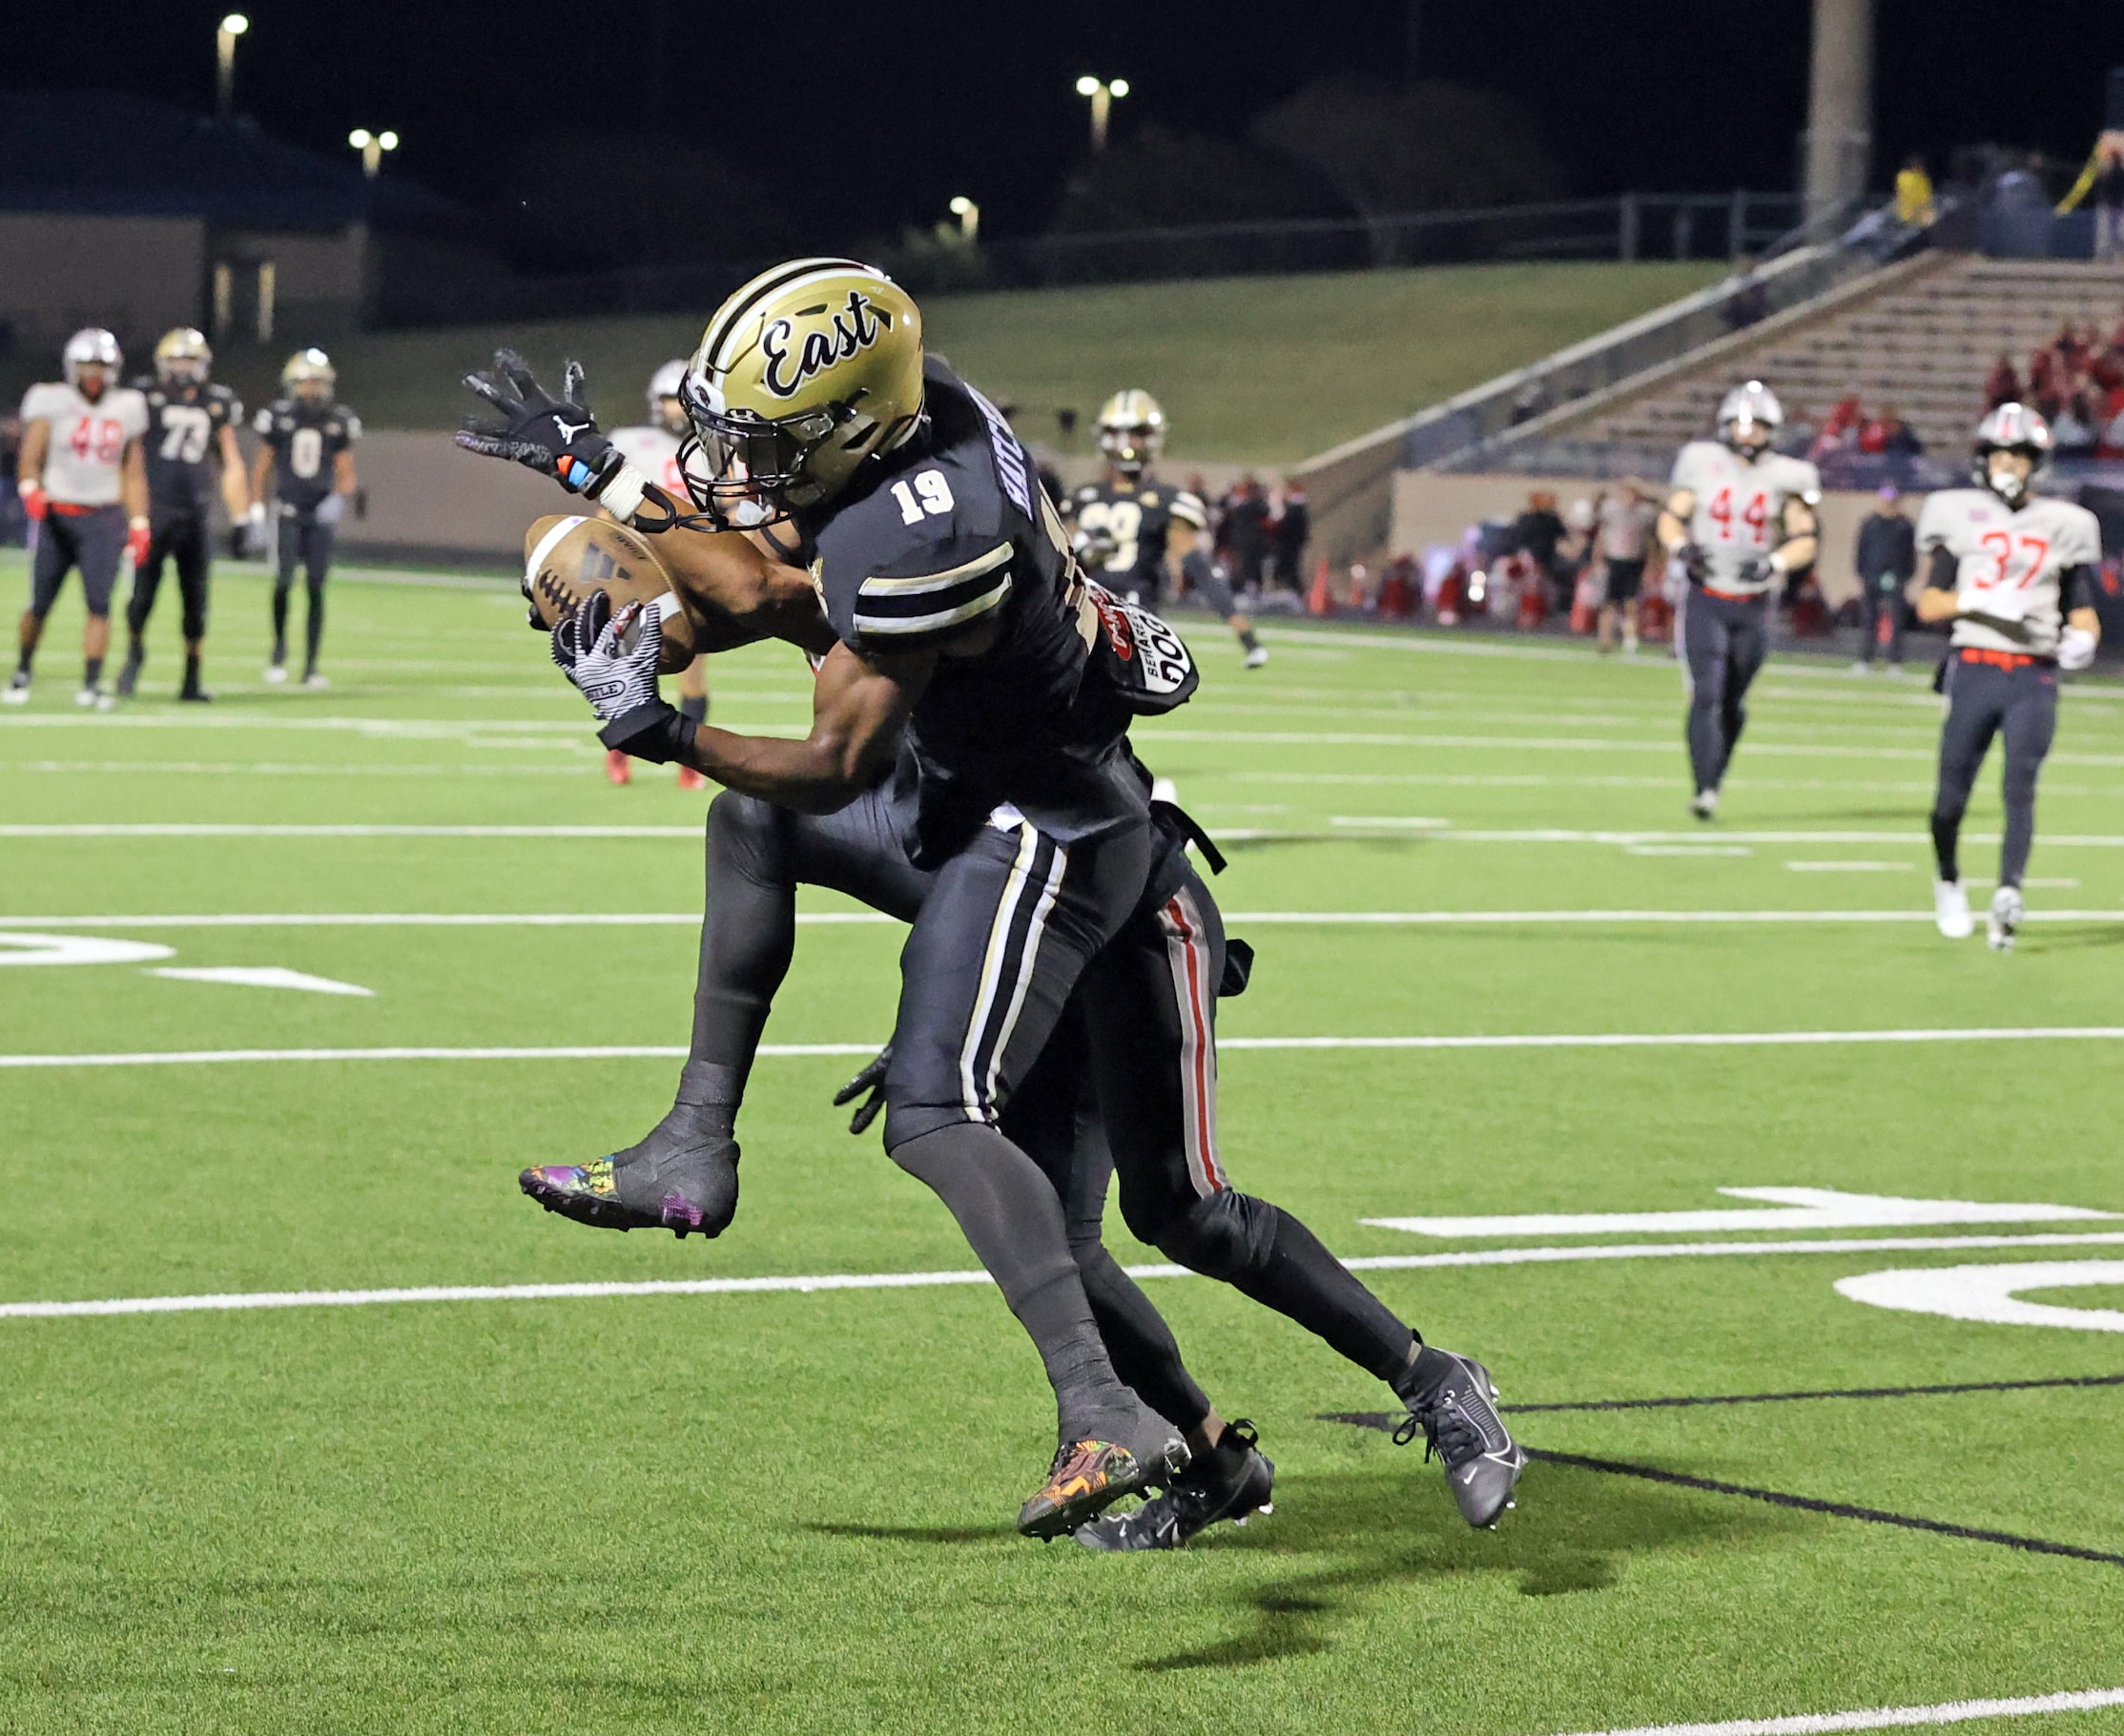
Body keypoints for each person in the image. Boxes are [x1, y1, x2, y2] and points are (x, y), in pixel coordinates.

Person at [457, 258, 1521, 1538]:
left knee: (1130, 1188)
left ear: (851, 426)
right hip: (993, 827)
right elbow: (770, 591)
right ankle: (1200, 1453)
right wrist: (601, 485)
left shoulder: (925, 531)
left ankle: (1391, 1384)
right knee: (1025, 1192)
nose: (740, 469)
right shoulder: (920, 421)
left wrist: (663, 726)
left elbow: (830, 757)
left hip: (1083, 848)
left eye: (768, 445)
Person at [1914, 405, 2103, 949]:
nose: (2007, 464)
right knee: (1950, 799)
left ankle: (2008, 892)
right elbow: (1928, 604)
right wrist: (1977, 599)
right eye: (1999, 454)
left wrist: (2084, 639)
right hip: (1975, 666)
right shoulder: (1957, 514)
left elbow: (2079, 605)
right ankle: (1949, 877)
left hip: (2033, 676)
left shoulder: (2065, 524)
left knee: (2020, 787)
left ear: (2035, 463)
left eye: (2018, 455)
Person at [1658, 381, 1821, 820]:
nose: (1748, 434)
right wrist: (1680, 548)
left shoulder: (1791, 475)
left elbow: (1805, 538)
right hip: (1706, 594)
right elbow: (1672, 516)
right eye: (1741, 425)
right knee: (1705, 693)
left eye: (1757, 426)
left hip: (1753, 601)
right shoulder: (1701, 462)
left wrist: (1775, 563)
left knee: (1732, 699)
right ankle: (1703, 788)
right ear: (1725, 425)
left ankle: (1716, 775)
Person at [1065, 390, 1268, 669]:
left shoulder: (1089, 498)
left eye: (1135, 433)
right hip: (1083, 613)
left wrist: (1243, 632)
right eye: (1121, 433)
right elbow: (1058, 562)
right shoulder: (1084, 498)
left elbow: (1198, 568)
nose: (1128, 443)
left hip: (1127, 617)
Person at [6, 328, 152, 709]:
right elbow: (29, 458)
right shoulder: (50, 401)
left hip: (103, 518)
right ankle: (22, 669)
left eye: (101, 366)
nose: (94, 373)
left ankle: (91, 683)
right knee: (40, 604)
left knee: (100, 605)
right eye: (87, 365)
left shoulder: (128, 406)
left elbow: (133, 472)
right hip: (57, 515)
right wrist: (30, 489)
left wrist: (139, 522)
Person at [118, 328, 249, 703]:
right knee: (141, 597)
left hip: (195, 511)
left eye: (189, 360)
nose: (183, 368)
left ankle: (192, 678)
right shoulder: (145, 396)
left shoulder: (217, 401)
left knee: (196, 601)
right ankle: (133, 654)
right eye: (176, 360)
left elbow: (231, 462)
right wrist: (133, 511)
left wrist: (241, 517)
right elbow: (131, 458)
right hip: (155, 509)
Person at [603, 358, 711, 788]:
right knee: (628, 664)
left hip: (692, 569)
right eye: (669, 400)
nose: (676, 409)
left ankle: (691, 759)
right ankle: (619, 751)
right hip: (642, 567)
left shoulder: (716, 449)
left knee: (694, 666)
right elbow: (607, 507)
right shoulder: (634, 444)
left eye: (681, 400)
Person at [252, 349, 361, 691]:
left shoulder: (338, 420)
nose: (311, 390)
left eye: (317, 383)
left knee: (316, 587)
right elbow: (262, 468)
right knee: (283, 582)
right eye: (306, 383)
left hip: (318, 516)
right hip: (286, 511)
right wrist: (256, 510)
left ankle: (311, 664)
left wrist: (338, 500)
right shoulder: (279, 417)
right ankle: (278, 653)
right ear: (292, 385)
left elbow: (346, 472)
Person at [1853, 487, 1916, 673]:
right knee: (1868, 619)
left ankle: (1894, 662)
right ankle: (1865, 659)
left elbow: (1910, 555)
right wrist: (1863, 573)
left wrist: (1904, 576)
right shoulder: (1870, 523)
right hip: (1871, 577)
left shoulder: (1904, 525)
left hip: (1896, 578)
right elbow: (1861, 550)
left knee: (1897, 621)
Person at [1593, 478, 1655, 656]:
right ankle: (1604, 640)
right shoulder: (1611, 510)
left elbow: (1649, 541)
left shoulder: (1645, 513)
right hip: (1614, 560)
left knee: (1631, 603)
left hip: (1634, 561)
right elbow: (1602, 535)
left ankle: (1630, 639)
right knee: (1609, 602)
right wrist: (1598, 558)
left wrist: (1651, 564)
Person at [1271, 479, 1309, 598]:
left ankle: (1294, 594)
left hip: (1289, 545)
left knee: (1287, 570)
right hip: (1292, 544)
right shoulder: (1298, 508)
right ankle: (1294, 592)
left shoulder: (1294, 509)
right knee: (1290, 570)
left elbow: (1285, 526)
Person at [0, 416, 27, 547]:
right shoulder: (2, 440)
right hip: (4, 480)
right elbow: (6, 455)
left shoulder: (23, 441)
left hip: (18, 480)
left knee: (22, 514)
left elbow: (22, 458)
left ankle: (23, 541)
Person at [1894, 154, 1937, 230]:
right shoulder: (1905, 177)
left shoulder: (1922, 178)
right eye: (1919, 166)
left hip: (1917, 216)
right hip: (1910, 215)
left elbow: (1927, 196)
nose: (1921, 168)